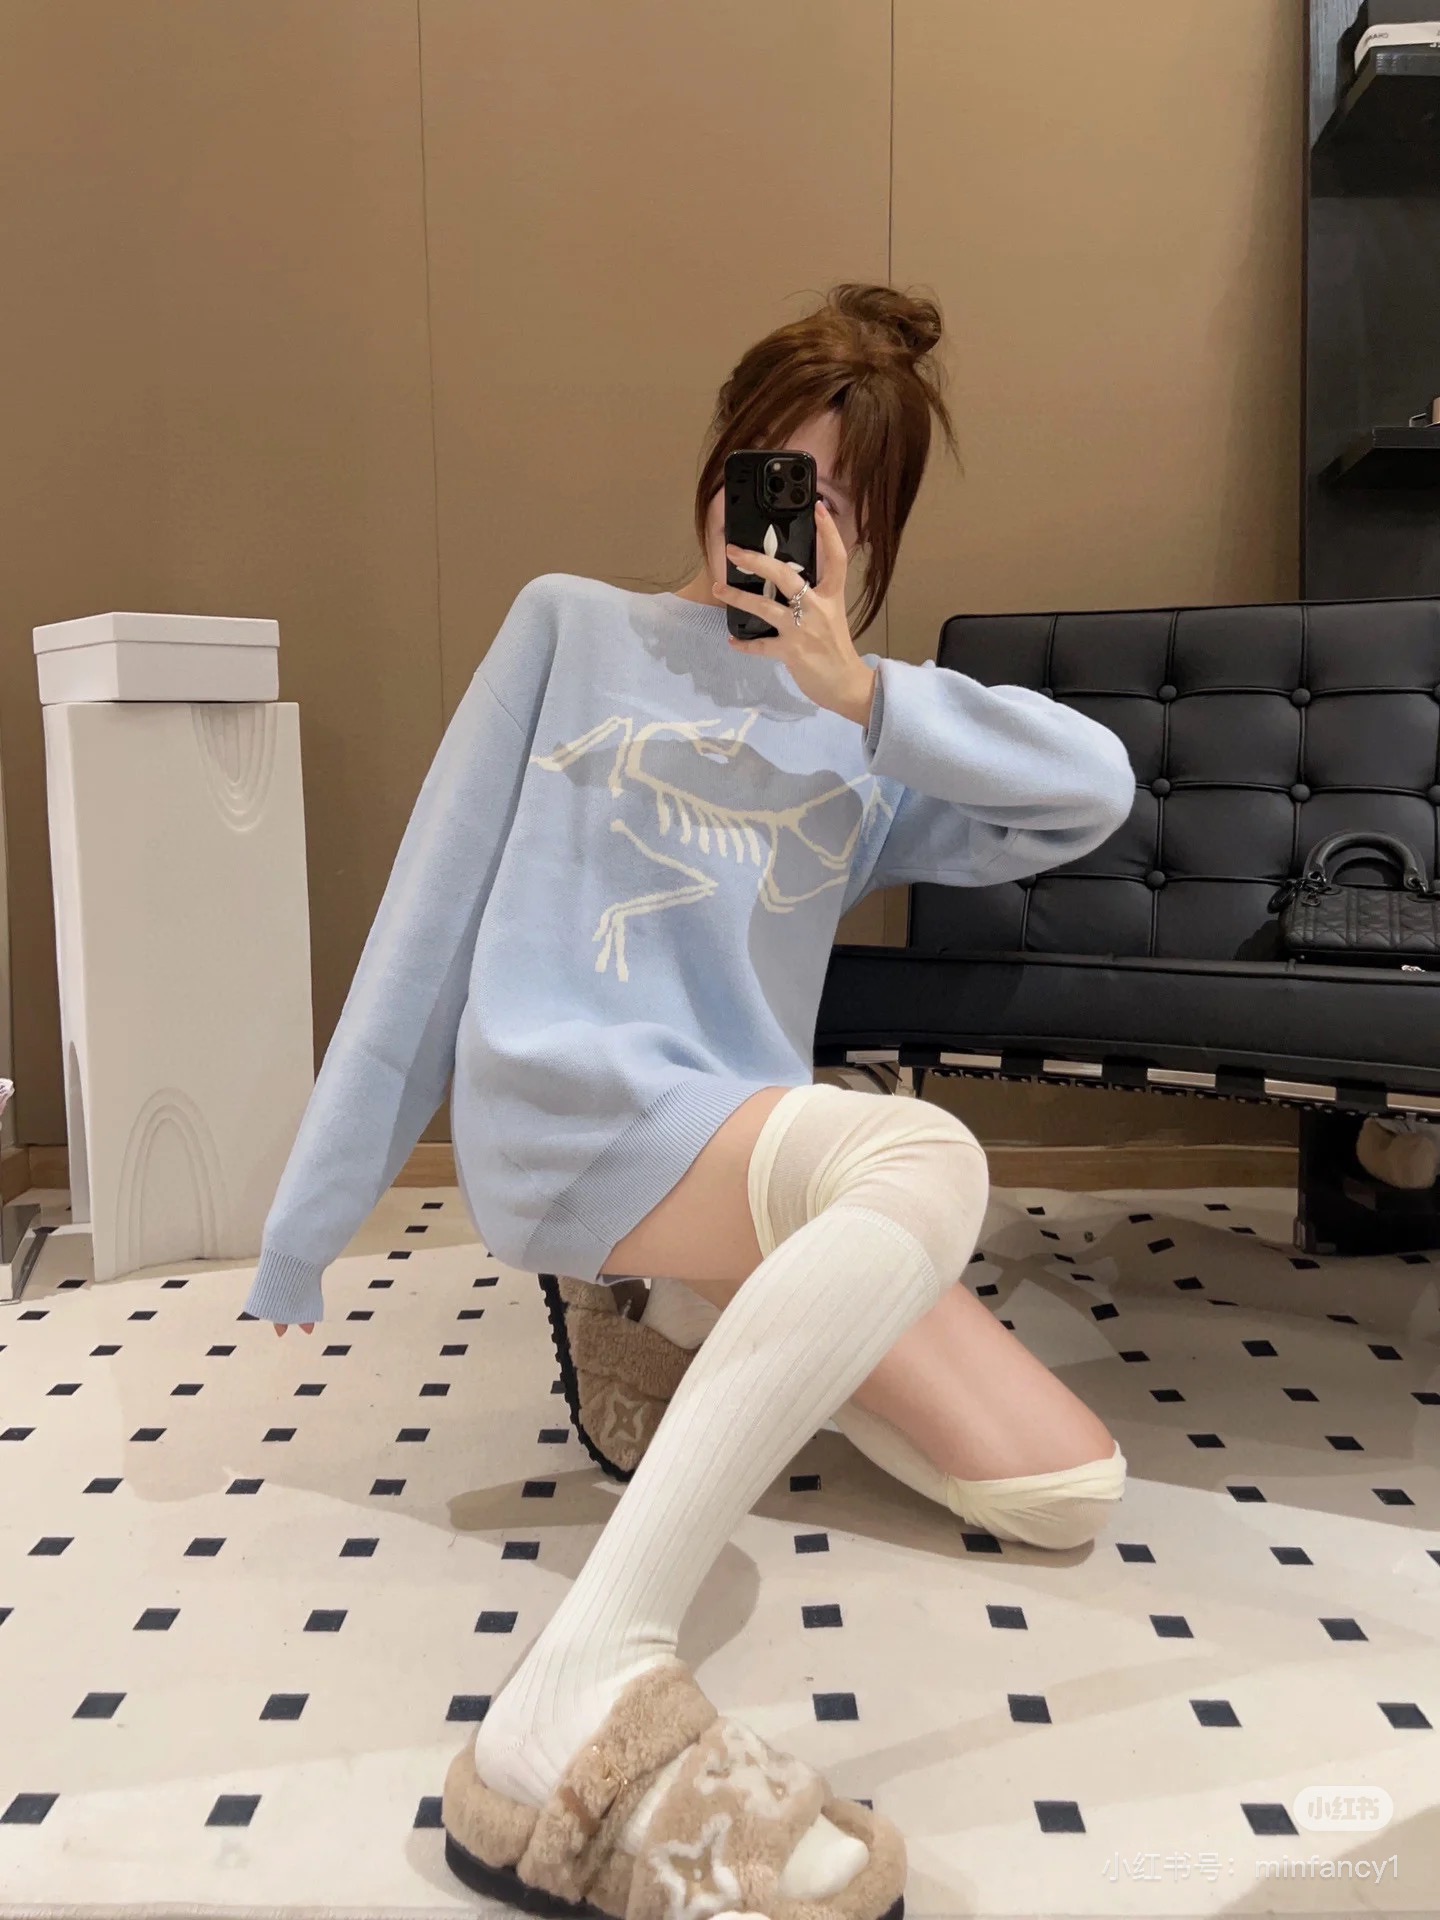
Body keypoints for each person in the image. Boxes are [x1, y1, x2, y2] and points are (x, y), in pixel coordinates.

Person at [242, 282, 1136, 1920]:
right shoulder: (570, 629)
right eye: (764, 472)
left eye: (833, 501)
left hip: (735, 1145)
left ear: (871, 537)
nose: (777, 519)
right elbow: (426, 923)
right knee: (922, 1159)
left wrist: (862, 696)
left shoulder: (863, 729)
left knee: (1061, 1490)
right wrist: (310, 1224)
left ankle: (687, 1310)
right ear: (716, 466)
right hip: (569, 1104)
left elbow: (1093, 796)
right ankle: (589, 1671)